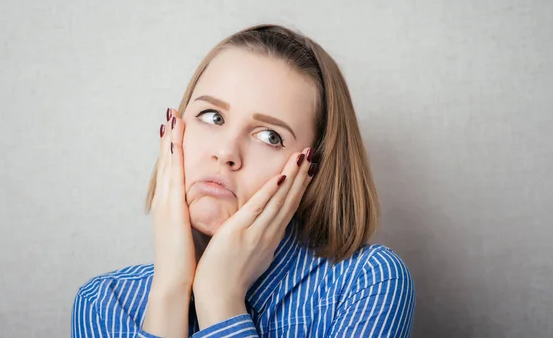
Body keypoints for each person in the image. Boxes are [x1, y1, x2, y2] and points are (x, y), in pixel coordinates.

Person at [71, 24, 416, 337]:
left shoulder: (365, 284)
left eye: (269, 136)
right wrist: (171, 289)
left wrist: (220, 298)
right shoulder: (104, 304)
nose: (226, 152)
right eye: (212, 116)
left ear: (312, 169)